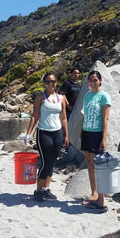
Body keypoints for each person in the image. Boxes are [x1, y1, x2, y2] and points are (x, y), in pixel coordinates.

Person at [24, 73, 69, 202]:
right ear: (44, 83)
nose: (51, 84)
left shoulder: (61, 98)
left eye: (53, 81)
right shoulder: (40, 97)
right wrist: (29, 133)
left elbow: (64, 118)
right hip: (44, 133)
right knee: (45, 162)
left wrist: (66, 135)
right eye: (48, 81)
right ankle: (38, 190)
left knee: (52, 162)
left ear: (56, 82)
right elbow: (35, 116)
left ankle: (46, 189)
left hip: (58, 133)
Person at [81, 71, 111, 213]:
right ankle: (94, 194)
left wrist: (103, 139)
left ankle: (101, 201)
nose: (92, 82)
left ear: (100, 80)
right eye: (90, 80)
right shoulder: (87, 96)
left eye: (94, 80)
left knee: (98, 166)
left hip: (97, 134)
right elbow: (85, 115)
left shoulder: (104, 96)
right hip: (86, 132)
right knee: (89, 163)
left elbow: (105, 119)